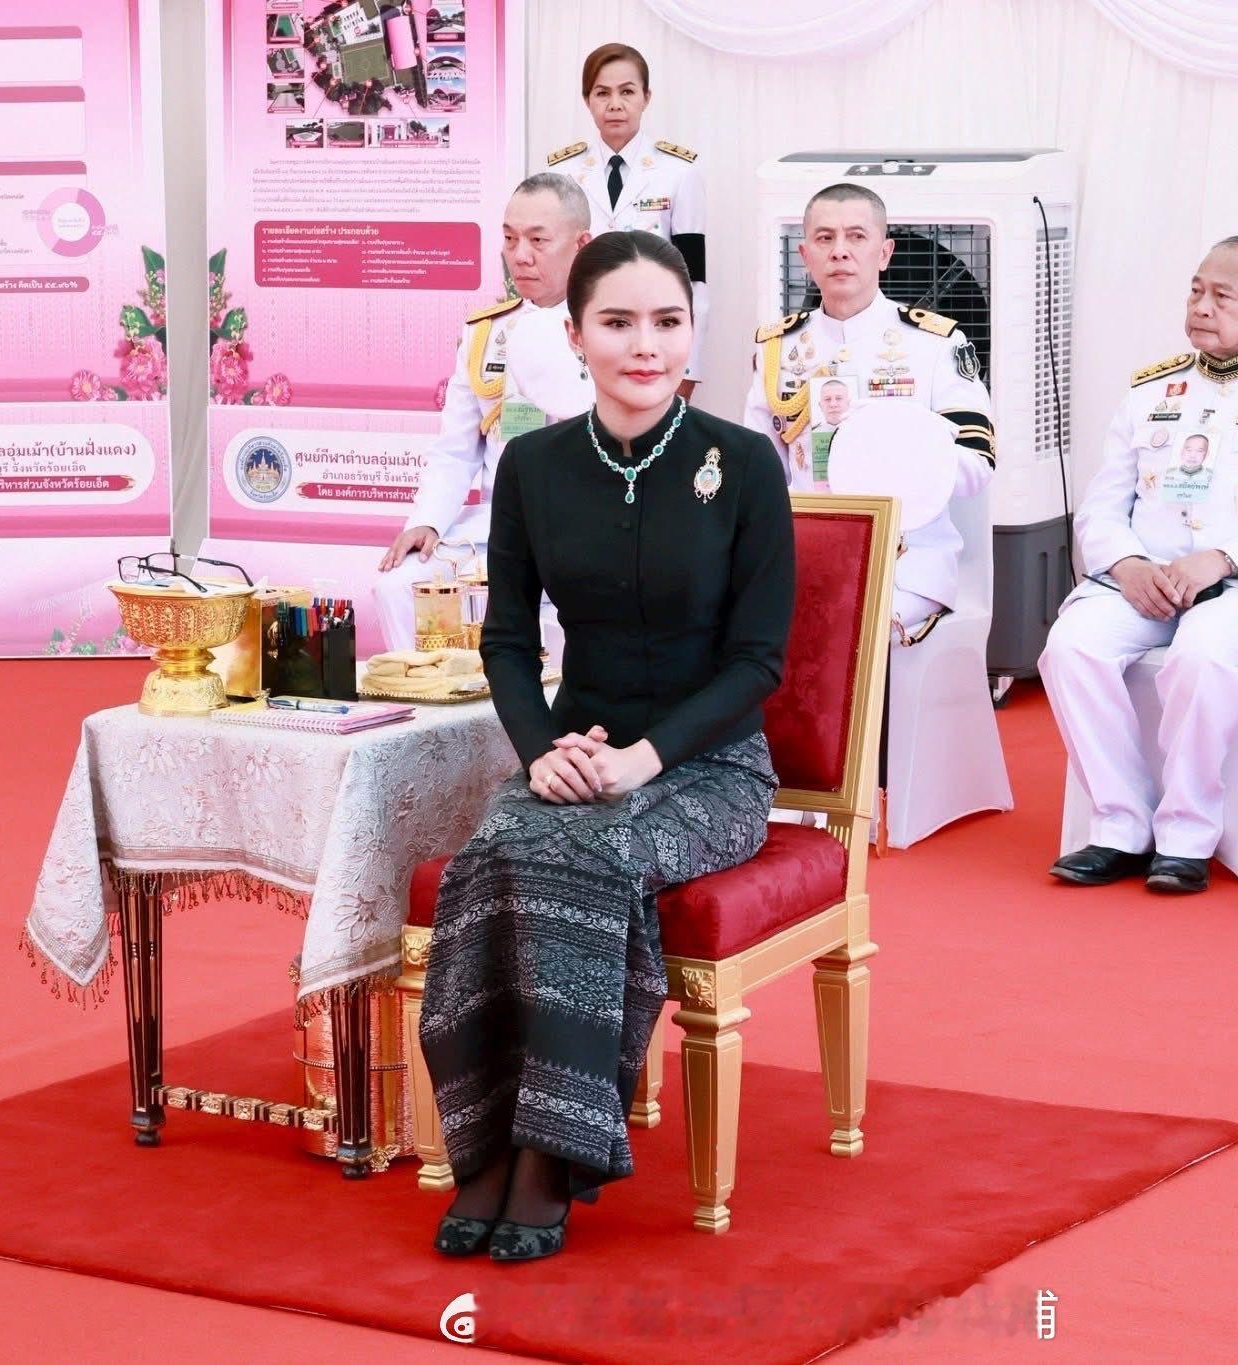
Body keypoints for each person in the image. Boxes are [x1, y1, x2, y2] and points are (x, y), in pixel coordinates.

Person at [418, 232, 794, 1262]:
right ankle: (485, 1143)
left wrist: (645, 759)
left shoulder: (743, 463)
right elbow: (505, 642)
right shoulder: (534, 465)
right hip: (574, 749)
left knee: (591, 851)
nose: (645, 346)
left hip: (711, 768)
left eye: (667, 322)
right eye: (618, 323)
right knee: (492, 852)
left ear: (691, 332)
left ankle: (552, 1153)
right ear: (576, 336)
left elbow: (758, 662)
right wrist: (540, 750)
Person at [1039, 236, 1238, 895]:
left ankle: (1185, 834)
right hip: (1147, 583)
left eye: (1222, 296)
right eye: (1196, 291)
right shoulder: (1150, 391)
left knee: (1202, 652)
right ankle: (1120, 823)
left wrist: (1225, 559)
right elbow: (1101, 508)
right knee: (1070, 647)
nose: (1202, 307)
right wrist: (1127, 565)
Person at [744, 181, 996, 642]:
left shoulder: (935, 345)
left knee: (842, 626)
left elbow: (977, 464)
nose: (840, 251)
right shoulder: (778, 350)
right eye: (825, 238)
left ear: (884, 252)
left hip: (906, 561)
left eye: (856, 236)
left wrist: (892, 444)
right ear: (805, 255)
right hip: (805, 553)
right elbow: (758, 471)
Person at [373, 174, 593, 649]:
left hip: (584, 527)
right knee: (397, 584)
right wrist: (427, 520)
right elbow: (455, 451)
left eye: (538, 241)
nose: (520, 255)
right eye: (510, 239)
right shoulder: (486, 334)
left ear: (582, 244)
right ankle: (426, 695)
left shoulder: (610, 329)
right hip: (499, 526)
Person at [544, 43, 707, 397]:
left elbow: (694, 281)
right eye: (602, 93)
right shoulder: (562, 173)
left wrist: (687, 369)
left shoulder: (678, 172)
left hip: (651, 344)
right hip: (581, 343)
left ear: (646, 97)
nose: (615, 104)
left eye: (627, 92)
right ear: (587, 100)